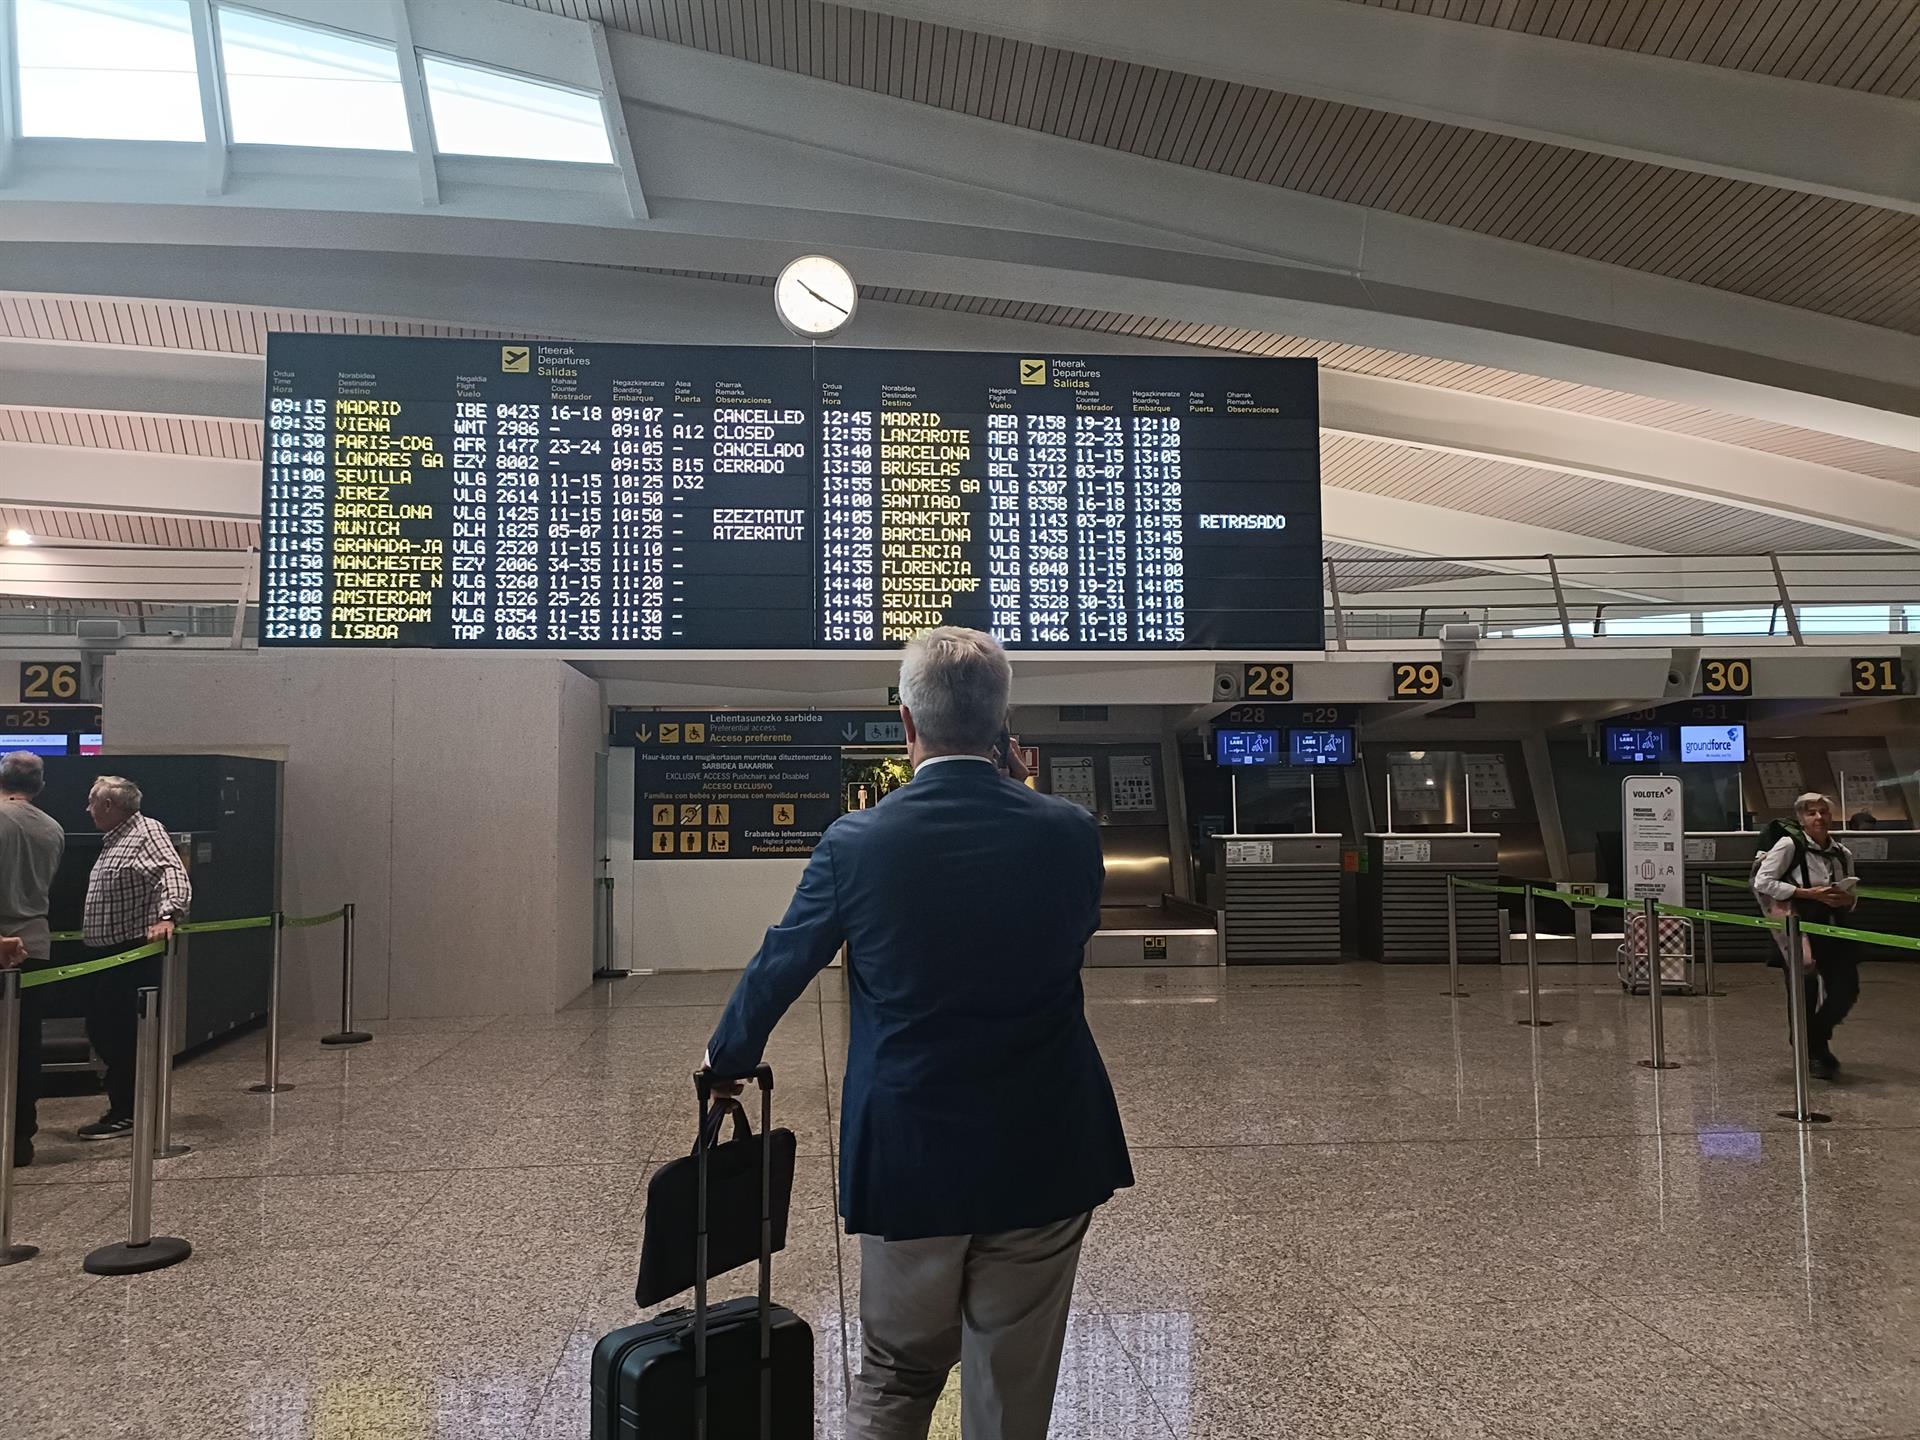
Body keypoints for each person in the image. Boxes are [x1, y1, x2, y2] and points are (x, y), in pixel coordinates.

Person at [704, 627, 1132, 1440]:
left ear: (906, 726)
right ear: (1004, 724)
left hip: (912, 1152)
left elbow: (781, 964)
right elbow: (1071, 933)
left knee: (897, 1377)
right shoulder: (1070, 830)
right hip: (1045, 1146)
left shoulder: (856, 844)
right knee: (1011, 1393)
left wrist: (728, 1058)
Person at [76, 775, 190, 1140]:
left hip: (129, 956)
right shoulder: (116, 840)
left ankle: (128, 1110)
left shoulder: (146, 832)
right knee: (104, 1032)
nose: (87, 809)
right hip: (106, 956)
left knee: (121, 1035)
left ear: (110, 805)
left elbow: (172, 874)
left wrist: (167, 915)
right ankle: (124, 1105)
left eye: (92, 802)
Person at [1754, 792, 1858, 1080]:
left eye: (1823, 812)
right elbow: (1763, 881)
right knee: (1804, 991)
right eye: (1811, 813)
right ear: (1801, 818)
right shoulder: (1789, 845)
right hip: (1799, 924)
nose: (1819, 818)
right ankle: (1813, 1051)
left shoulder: (1841, 852)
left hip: (1835, 924)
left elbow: (1852, 894)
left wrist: (1846, 900)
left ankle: (1812, 1038)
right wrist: (1805, 893)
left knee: (1846, 989)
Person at [0, 752, 66, 1167]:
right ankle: (20, 1137)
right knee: (24, 1046)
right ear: (40, 786)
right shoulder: (53, 829)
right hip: (35, 945)